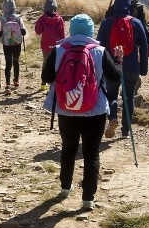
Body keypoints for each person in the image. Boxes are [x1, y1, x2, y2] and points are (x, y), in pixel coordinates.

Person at [42, 14, 123, 211]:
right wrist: (119, 59)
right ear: (90, 30)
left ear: (71, 30)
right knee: (91, 153)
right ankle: (88, 198)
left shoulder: (59, 50)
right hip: (94, 111)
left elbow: (46, 77)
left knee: (68, 148)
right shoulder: (100, 51)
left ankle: (65, 188)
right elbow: (115, 78)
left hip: (66, 109)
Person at [97, 0, 149, 139]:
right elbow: (145, 46)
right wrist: (143, 68)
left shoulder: (107, 22)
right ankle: (126, 131)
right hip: (132, 66)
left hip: (112, 65)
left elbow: (98, 45)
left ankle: (113, 117)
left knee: (111, 94)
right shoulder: (136, 23)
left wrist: (99, 67)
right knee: (129, 97)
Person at [0, 0, 27, 92]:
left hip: (7, 44)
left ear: (4, 7)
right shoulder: (18, 18)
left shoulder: (2, 19)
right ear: (14, 7)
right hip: (17, 44)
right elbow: (24, 32)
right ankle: (16, 80)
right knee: (16, 62)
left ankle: (8, 84)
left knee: (8, 64)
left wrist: (0, 37)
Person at [34, 0, 66, 91]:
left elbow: (38, 31)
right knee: (56, 63)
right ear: (55, 8)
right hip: (57, 46)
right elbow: (62, 35)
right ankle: (54, 84)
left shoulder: (42, 19)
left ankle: (43, 83)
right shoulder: (59, 19)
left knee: (46, 63)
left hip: (45, 45)